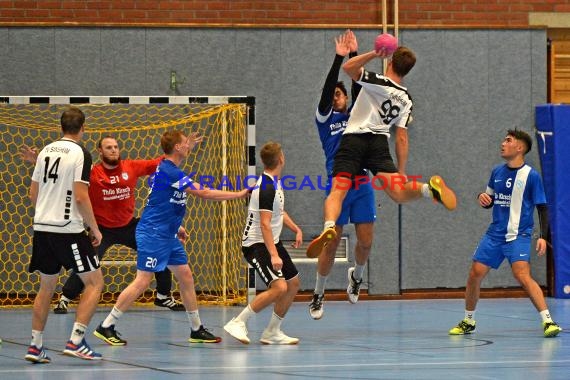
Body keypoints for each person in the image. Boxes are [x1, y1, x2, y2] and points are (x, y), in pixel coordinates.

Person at [94, 130, 249, 346]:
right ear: (177, 147)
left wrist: (177, 227)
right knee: (143, 281)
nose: (188, 146)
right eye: (185, 144)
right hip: (153, 234)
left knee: (185, 276)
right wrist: (239, 194)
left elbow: (161, 201)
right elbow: (203, 192)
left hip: (167, 232)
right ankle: (107, 325)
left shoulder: (168, 169)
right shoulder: (169, 171)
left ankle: (196, 329)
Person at [306, 44, 458, 258]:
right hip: (379, 142)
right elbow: (402, 137)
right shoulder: (406, 99)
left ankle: (330, 226)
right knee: (398, 192)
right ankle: (427, 188)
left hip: (355, 139)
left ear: (389, 62)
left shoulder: (377, 81)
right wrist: (402, 171)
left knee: (337, 192)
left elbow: (349, 68)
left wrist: (373, 53)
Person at [21, 137, 185, 313]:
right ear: (100, 151)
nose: (113, 150)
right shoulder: (91, 173)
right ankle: (65, 298)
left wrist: (181, 149)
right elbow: (60, 173)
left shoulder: (131, 167)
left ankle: (163, 296)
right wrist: (37, 160)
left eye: (116, 146)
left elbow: (161, 162)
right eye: (108, 147)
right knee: (87, 262)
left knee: (160, 245)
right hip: (102, 230)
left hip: (128, 226)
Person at [448, 129, 562, 338]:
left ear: (519, 148)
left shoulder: (531, 176)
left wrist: (544, 237)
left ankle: (548, 321)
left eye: (508, 140)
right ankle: (468, 321)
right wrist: (483, 199)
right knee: (475, 274)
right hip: (494, 235)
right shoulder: (497, 172)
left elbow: (542, 207)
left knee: (522, 274)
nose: (502, 143)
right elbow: (489, 199)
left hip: (518, 235)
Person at [26, 107, 103, 363]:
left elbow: (33, 195)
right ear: (83, 128)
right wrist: (93, 227)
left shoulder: (46, 151)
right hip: (67, 229)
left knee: (46, 287)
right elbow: (81, 196)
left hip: (43, 227)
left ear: (61, 127)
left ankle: (35, 346)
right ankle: (76, 341)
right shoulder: (81, 153)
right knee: (95, 283)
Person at [309, 30, 376, 320]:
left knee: (366, 241)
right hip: (338, 183)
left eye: (340, 94)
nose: (335, 98)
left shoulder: (357, 116)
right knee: (331, 241)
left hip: (362, 183)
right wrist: (338, 58)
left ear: (347, 98)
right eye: (333, 95)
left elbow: (360, 87)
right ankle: (319, 293)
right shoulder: (326, 120)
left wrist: (353, 56)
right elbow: (325, 94)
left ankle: (357, 276)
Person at [224, 142, 303, 345]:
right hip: (256, 244)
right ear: (281, 159)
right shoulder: (266, 187)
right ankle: (238, 322)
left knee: (293, 283)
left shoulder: (275, 182)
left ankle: (272, 331)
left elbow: (279, 212)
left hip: (271, 242)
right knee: (279, 287)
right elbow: (265, 224)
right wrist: (274, 255)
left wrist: (295, 228)